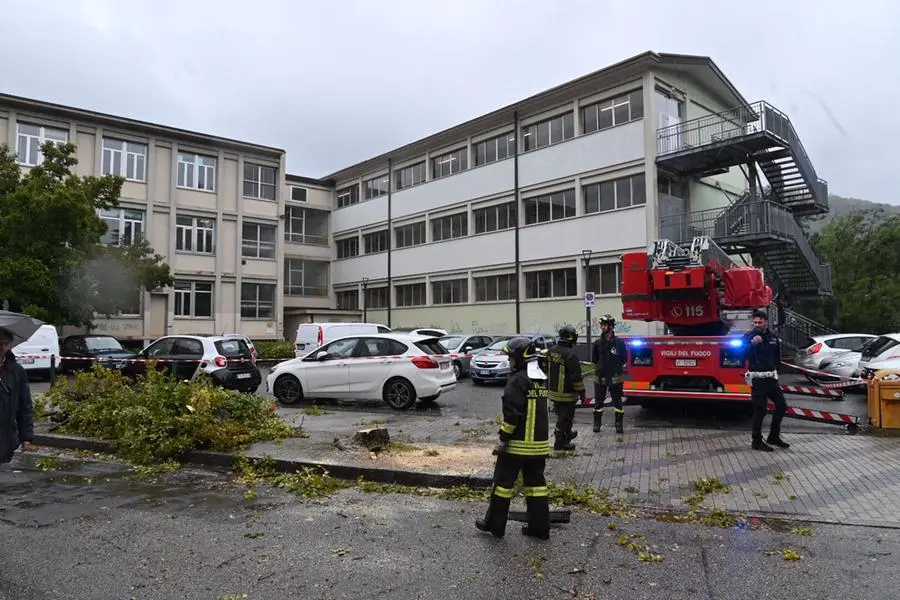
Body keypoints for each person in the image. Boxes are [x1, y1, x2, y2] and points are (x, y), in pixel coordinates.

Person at [475, 337, 551, 540]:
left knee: (502, 486)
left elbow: (512, 415)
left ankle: (494, 526)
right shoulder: (540, 378)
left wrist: (503, 436)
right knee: (536, 487)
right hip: (539, 446)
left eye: (511, 358)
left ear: (519, 358)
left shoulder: (516, 380)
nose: (509, 362)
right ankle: (539, 528)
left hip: (517, 446)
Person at [743, 309, 789, 452]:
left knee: (782, 406)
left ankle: (773, 436)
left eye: (760, 322)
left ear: (765, 323)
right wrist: (752, 344)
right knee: (760, 410)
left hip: (771, 378)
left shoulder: (773, 337)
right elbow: (742, 355)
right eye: (755, 322)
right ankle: (756, 441)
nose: (757, 324)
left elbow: (777, 357)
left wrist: (777, 371)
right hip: (757, 379)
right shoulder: (748, 337)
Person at [546, 325, 585, 451]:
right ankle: (560, 443)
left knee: (561, 417)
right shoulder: (570, 354)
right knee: (565, 419)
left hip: (553, 392)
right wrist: (582, 392)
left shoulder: (551, 351)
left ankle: (566, 435)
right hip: (567, 394)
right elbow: (576, 378)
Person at [0, 327, 35, 465]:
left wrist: (26, 437)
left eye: (5, 343)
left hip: (5, 438)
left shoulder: (16, 371)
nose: (2, 347)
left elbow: (24, 404)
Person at [591, 314, 627, 433]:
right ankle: (597, 424)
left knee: (617, 403)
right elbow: (594, 360)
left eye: (605, 325)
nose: (602, 327)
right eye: (601, 325)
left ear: (611, 326)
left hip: (615, 377)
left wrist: (615, 368)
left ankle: (618, 424)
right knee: (598, 403)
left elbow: (624, 359)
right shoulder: (597, 343)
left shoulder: (619, 343)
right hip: (600, 377)